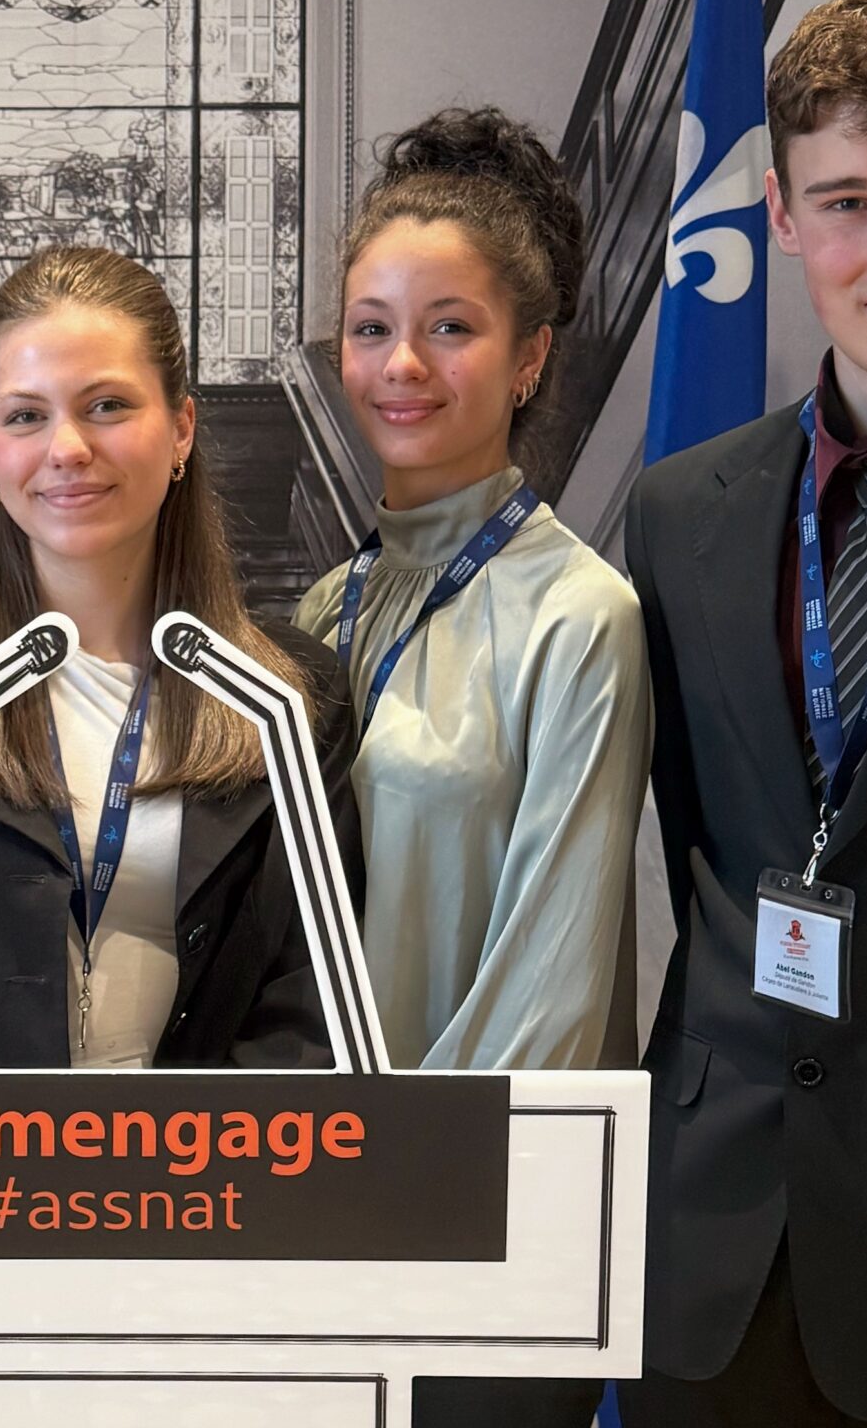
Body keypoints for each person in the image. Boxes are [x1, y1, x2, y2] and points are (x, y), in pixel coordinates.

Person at [621, 0, 867, 1428]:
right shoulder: (677, 513)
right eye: (847, 201)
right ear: (779, 215)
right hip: (712, 1252)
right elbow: (698, 850)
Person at [292, 110, 650, 1428]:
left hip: (477, 1230)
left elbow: (549, 1000)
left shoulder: (581, 615)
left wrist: (394, 1195)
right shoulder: (324, 610)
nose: (402, 365)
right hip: (308, 1212)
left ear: (530, 356)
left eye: (451, 327)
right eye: (372, 327)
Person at [0, 243, 361, 1071]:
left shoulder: (293, 696)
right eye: (25, 415)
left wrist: (191, 1152)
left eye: (106, 406)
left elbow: (305, 1001)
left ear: (182, 428)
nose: (66, 447)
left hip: (211, 1153)